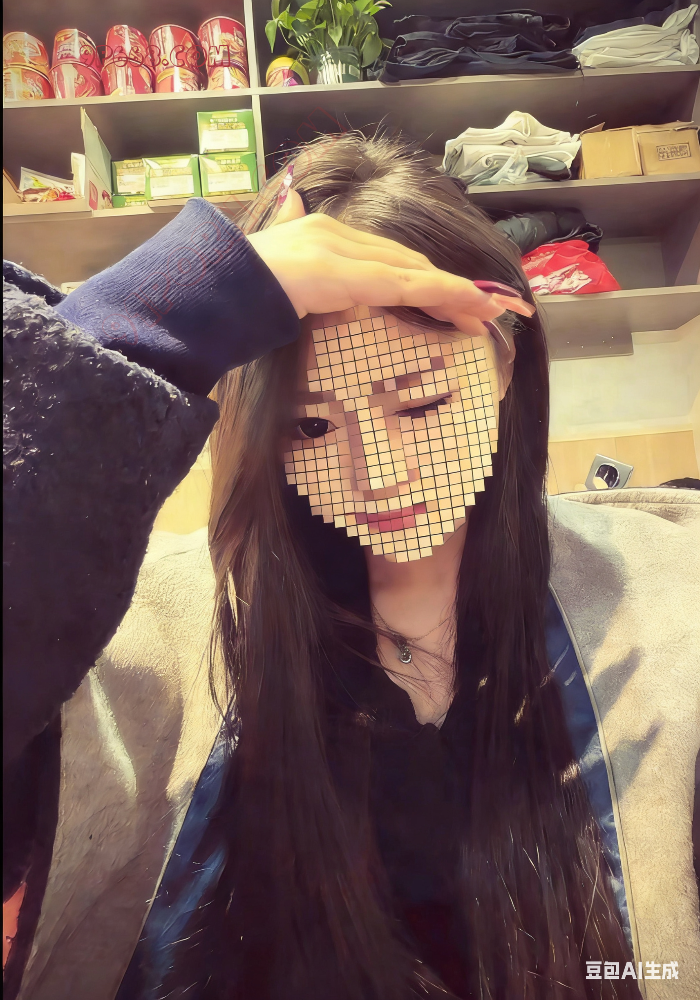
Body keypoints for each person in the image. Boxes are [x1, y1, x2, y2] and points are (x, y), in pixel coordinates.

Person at [3, 134, 698, 1000]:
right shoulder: (150, 639)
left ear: (506, 362)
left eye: (423, 402)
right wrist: (159, 312)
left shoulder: (670, 599)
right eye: (310, 426)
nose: (379, 473)